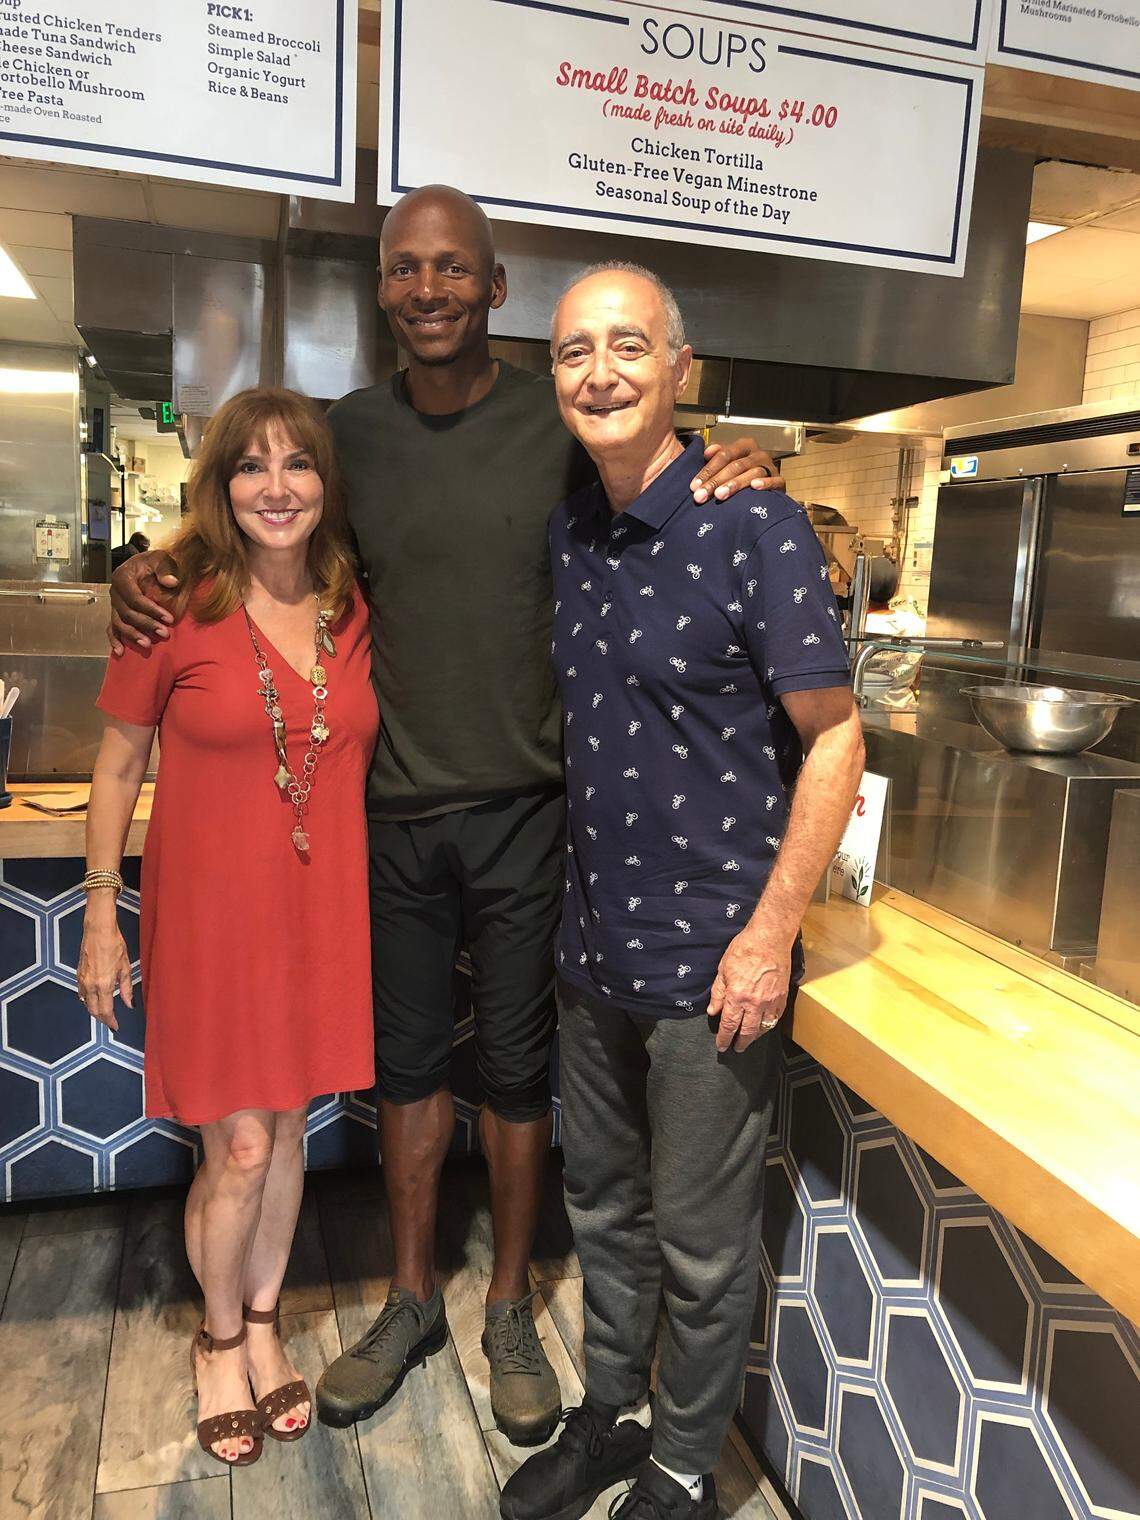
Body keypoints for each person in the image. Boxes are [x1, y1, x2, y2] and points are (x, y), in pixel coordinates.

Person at [107, 185, 787, 1448]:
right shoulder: (348, 433)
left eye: (453, 269)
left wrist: (744, 452)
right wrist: (138, 561)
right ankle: (414, 1297)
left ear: (494, 289)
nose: (428, 288)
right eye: (405, 268)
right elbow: (257, 507)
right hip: (390, 813)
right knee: (409, 1070)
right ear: (383, 288)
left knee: (519, 1077)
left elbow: (663, 461)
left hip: (534, 809)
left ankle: (514, 1303)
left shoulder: (556, 423)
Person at [501, 265, 864, 1520]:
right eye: (571, 352)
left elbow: (835, 736)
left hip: (717, 965)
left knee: (704, 1245)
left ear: (681, 368)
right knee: (602, 1203)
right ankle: (610, 1413)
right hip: (591, 945)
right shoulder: (575, 525)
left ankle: (682, 1463)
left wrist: (771, 935)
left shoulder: (751, 522)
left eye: (627, 346)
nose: (598, 371)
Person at [80, 388, 377, 1467]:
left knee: (292, 1130)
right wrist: (102, 912)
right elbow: (116, 765)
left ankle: (262, 1320)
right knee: (238, 1142)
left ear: (325, 484)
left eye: (299, 464)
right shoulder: (173, 605)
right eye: (253, 467)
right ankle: (215, 1337)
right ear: (220, 486)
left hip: (320, 910)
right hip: (208, 916)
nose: (278, 487)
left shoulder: (355, 606)